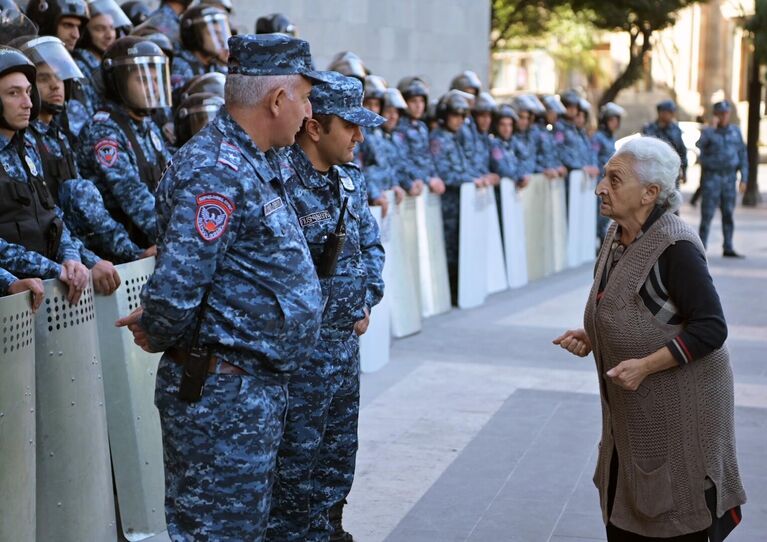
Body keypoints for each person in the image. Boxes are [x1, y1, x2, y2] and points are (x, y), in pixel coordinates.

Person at [116, 33, 331, 541]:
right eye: (303, 97)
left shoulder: (258, 160)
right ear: (277, 100)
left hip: (253, 387)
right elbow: (178, 283)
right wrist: (158, 326)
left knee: (243, 529)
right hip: (220, 392)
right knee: (215, 531)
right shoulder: (215, 169)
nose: (307, 112)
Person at [554, 136, 746, 542]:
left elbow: (710, 328)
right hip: (631, 422)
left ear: (650, 194)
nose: (600, 188)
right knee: (630, 509)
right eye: (604, 176)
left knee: (673, 513)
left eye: (614, 180)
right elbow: (636, 307)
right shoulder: (616, 233)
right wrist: (595, 334)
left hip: (682, 418)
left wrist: (644, 366)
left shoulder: (675, 247)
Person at [266, 70, 385, 542]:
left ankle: (331, 530)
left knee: (338, 456)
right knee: (295, 467)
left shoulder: (349, 182)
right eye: (350, 126)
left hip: (343, 348)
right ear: (315, 127)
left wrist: (365, 298)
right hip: (300, 356)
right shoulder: (278, 183)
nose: (359, 136)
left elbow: (372, 247)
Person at [15, 34, 146, 265]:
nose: (56, 85)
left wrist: (129, 252)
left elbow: (85, 208)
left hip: (77, 256)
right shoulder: (22, 140)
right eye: (44, 78)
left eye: (60, 77)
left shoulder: (60, 136)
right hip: (51, 261)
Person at [0, 44, 90, 305]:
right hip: (13, 302)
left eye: (29, 92)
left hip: (48, 293)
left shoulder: (27, 146)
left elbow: (52, 214)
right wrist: (54, 270)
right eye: (14, 94)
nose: (28, 103)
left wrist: (71, 258)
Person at [77, 36, 173, 250]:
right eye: (142, 80)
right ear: (117, 81)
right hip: (126, 254)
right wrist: (181, 237)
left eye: (156, 79)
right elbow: (133, 196)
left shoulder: (148, 125)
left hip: (155, 244)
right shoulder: (104, 130)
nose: (153, 88)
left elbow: (172, 183)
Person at [430, 89, 482, 305]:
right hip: (448, 204)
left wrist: (475, 177)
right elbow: (445, 172)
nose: (459, 120)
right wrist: (469, 180)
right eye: (455, 115)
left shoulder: (456, 137)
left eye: (462, 116)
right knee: (450, 248)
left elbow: (463, 166)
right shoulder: (439, 139)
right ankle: (450, 293)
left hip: (461, 202)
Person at [696, 100, 748, 258]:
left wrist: (744, 178)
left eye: (726, 113)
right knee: (707, 215)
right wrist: (711, 128)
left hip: (729, 179)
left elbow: (743, 155)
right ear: (716, 115)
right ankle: (700, 248)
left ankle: (728, 246)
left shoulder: (735, 131)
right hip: (712, 178)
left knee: (728, 214)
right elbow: (699, 146)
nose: (724, 116)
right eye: (721, 113)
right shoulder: (709, 132)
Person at [73, 0, 133, 116]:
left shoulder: (115, 62)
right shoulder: (79, 66)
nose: (109, 35)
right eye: (100, 29)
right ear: (85, 34)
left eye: (112, 28)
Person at [394, 76, 444, 196]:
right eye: (413, 101)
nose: (418, 106)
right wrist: (427, 179)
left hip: (427, 187)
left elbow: (428, 158)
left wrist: (434, 177)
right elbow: (403, 161)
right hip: (411, 186)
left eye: (421, 101)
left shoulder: (422, 127)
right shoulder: (399, 128)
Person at [171, 4, 230, 91]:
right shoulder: (182, 66)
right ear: (194, 36)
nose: (221, 39)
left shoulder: (215, 65)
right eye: (214, 33)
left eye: (221, 33)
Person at [592, 102, 625, 244]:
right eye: (612, 120)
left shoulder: (610, 138)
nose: (615, 123)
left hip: (608, 183)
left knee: (606, 214)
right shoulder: (598, 137)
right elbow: (593, 157)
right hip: (598, 182)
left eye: (617, 120)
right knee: (598, 215)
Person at [642, 99, 687, 187]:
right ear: (661, 113)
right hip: (654, 173)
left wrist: (684, 171)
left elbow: (682, 151)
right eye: (669, 112)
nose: (672, 115)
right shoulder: (649, 129)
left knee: (672, 198)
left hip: (672, 172)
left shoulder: (676, 129)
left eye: (672, 112)